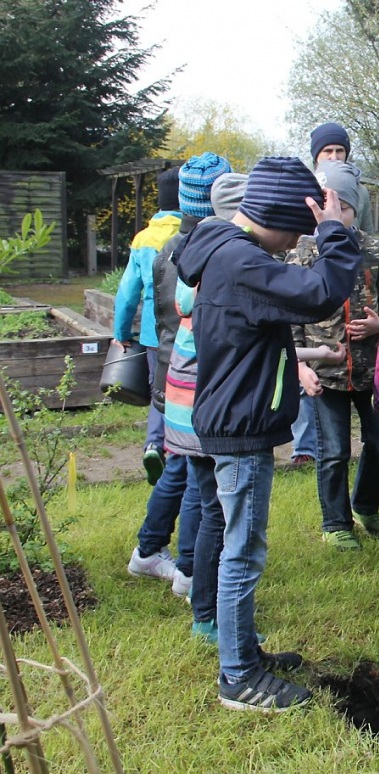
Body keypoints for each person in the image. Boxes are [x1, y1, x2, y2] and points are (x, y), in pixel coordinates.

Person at [175, 156, 361, 712]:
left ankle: (244, 651)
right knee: (244, 551)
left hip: (228, 418)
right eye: (295, 232)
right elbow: (323, 290)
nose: (293, 245)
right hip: (241, 429)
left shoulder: (225, 251)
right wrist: (334, 230)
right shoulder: (243, 262)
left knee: (237, 543)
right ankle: (237, 676)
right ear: (275, 217)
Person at [126, 154, 232, 597]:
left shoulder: (167, 249)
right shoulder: (202, 254)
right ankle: (189, 569)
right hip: (194, 381)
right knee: (197, 478)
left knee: (183, 467)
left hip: (169, 376)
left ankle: (150, 549)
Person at [288, 160, 379, 550]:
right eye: (323, 207)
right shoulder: (302, 252)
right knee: (333, 451)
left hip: (373, 370)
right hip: (324, 369)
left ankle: (366, 505)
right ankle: (336, 522)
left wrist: (378, 324)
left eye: (342, 207)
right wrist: (300, 366)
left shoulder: (376, 250)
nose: (333, 215)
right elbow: (289, 316)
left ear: (355, 208)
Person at [112, 167, 182, 485]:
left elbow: (128, 294)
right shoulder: (196, 232)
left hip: (156, 334)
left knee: (160, 389)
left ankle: (155, 443)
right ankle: (185, 447)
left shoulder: (143, 239)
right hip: (192, 328)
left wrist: (121, 334)